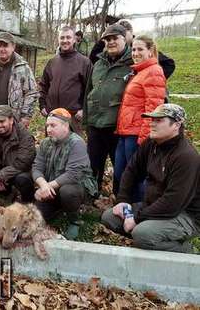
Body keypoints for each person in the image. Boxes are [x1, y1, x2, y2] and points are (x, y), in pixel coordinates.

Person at [102, 104, 200, 253]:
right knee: (109, 217)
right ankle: (148, 239)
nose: (152, 123)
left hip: (184, 214)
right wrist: (123, 200)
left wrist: (136, 218)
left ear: (177, 125)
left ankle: (185, 250)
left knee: (142, 234)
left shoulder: (186, 157)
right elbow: (132, 170)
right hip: (154, 205)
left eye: (159, 120)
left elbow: (173, 202)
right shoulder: (152, 143)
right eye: (152, 119)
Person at [32, 108, 98, 240]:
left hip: (77, 187)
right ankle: (59, 208)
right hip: (52, 188)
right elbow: (36, 167)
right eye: (47, 126)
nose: (49, 130)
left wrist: (47, 186)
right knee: (37, 216)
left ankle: (75, 220)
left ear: (66, 126)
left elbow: (73, 174)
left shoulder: (77, 143)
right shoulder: (46, 143)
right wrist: (43, 184)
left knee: (67, 191)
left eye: (53, 125)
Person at [114, 35, 166, 197]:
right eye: (134, 49)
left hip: (137, 135)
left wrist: (144, 140)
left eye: (140, 49)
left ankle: (139, 212)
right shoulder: (139, 71)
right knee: (121, 173)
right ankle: (125, 208)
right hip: (125, 131)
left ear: (150, 51)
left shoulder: (154, 72)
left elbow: (154, 109)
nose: (135, 53)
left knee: (137, 177)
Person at [83, 24, 133, 193]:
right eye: (107, 39)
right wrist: (86, 121)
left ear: (124, 38)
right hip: (95, 124)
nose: (111, 42)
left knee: (120, 166)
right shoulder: (98, 64)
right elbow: (89, 92)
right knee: (93, 163)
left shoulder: (133, 62)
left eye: (115, 38)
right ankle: (92, 193)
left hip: (118, 127)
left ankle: (119, 198)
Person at [39, 26, 92, 135]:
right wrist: (42, 105)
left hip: (72, 117)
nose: (65, 41)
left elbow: (91, 89)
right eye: (62, 38)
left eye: (68, 37)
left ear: (74, 40)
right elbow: (43, 85)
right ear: (58, 40)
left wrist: (84, 110)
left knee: (71, 149)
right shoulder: (52, 62)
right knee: (52, 149)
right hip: (52, 116)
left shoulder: (84, 62)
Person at [90, 20, 175, 79]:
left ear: (130, 32)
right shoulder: (113, 49)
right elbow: (93, 57)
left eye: (121, 34)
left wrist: (153, 79)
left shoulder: (139, 47)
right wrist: (103, 39)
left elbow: (168, 63)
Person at [0, 105, 36, 202]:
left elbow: (22, 164)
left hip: (20, 171)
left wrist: (0, 176)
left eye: (2, 121)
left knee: (22, 180)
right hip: (1, 169)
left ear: (11, 120)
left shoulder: (25, 136)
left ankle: (28, 202)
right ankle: (6, 192)